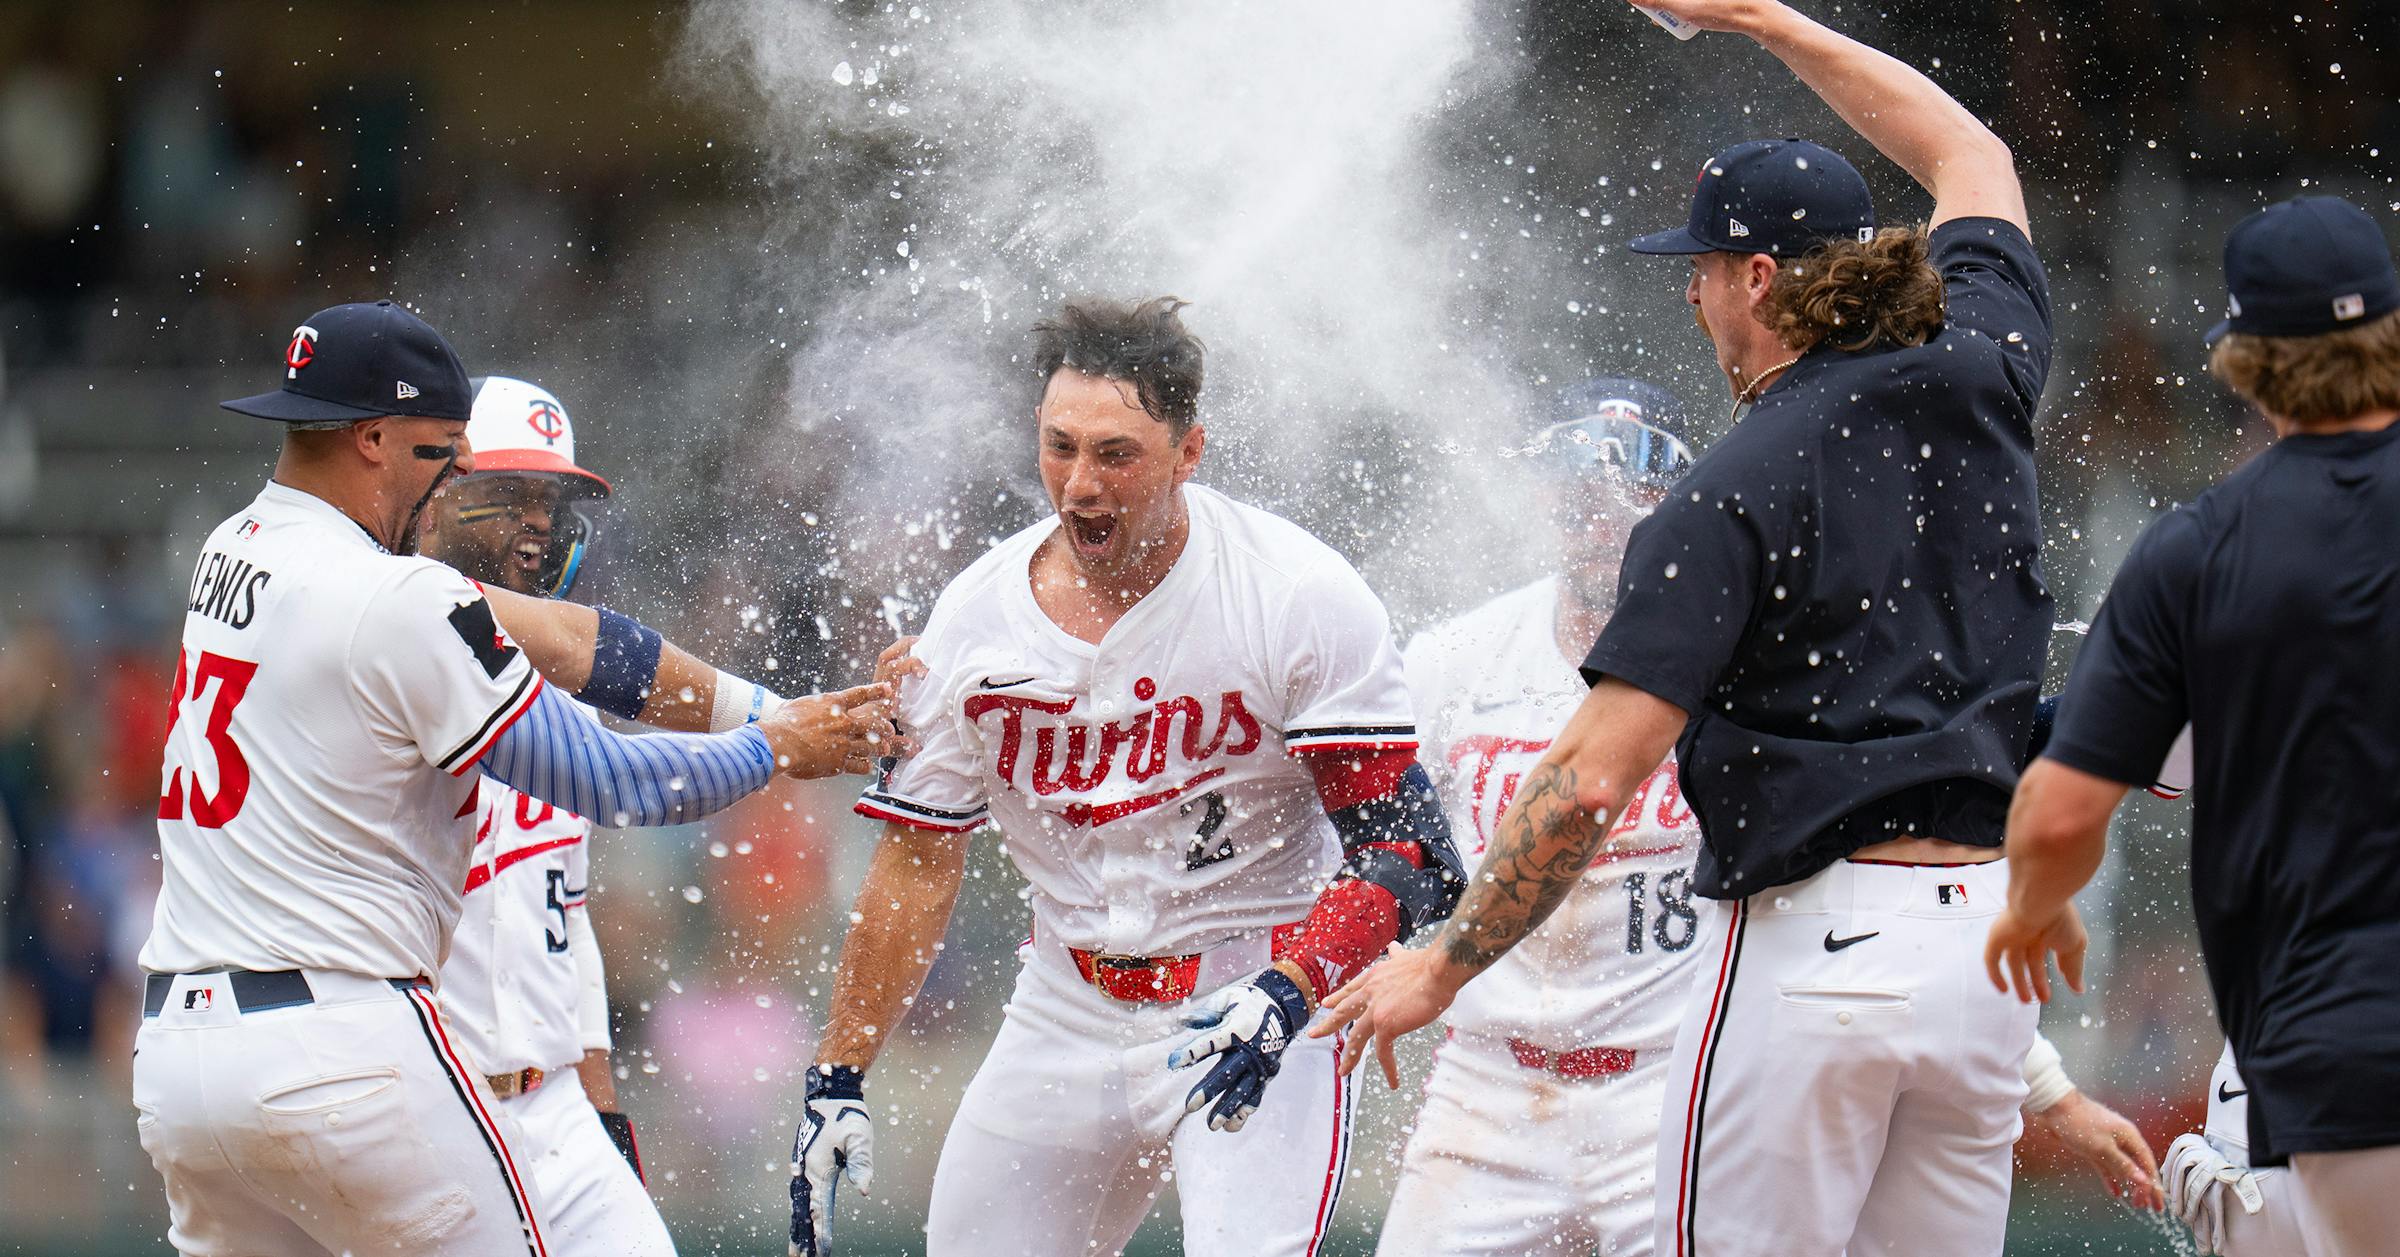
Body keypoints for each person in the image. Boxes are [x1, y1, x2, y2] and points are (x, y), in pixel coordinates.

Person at [1316, 2, 2061, 1252]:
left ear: (1760, 280)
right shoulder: (1985, 371)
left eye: (1706, 271)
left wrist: (1442, 968)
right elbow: (1972, 157)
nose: (1699, 298)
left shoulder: (1728, 489)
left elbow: (1589, 781)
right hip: (1981, 957)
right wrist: (1767, 19)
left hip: (1816, 954)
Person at [133, 301, 899, 1257]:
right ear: (374, 439)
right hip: (342, 1047)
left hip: (184, 1051)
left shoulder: (232, 548)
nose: (459, 479)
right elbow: (609, 775)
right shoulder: (398, 601)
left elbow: (572, 647)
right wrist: (774, 744)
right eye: (444, 456)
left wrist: (763, 709)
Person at [1378, 384, 2156, 1257]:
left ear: (1674, 501)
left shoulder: (1747, 656)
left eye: (1627, 492)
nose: (1599, 518)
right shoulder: (1456, 658)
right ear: (1543, 499)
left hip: (1669, 1089)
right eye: (1577, 494)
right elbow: (1393, 840)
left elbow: (1872, 880)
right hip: (1489, 1088)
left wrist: (2049, 1088)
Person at [784, 296, 1465, 1257]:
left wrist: (1292, 986)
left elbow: (1413, 855)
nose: (1081, 484)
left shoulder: (1292, 593)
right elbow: (917, 859)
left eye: (1117, 453)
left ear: (1190, 453)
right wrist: (838, 1073)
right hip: (1063, 1003)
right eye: (1060, 446)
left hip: (1252, 984)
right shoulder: (975, 620)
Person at [1988, 194, 2400, 1257]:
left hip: (2344, 1043)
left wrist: (2034, 905)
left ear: (2247, 361)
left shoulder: (2201, 553)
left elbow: (2061, 809)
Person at [423, 376, 912, 1256]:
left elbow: (562, 938)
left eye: (553, 501)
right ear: (438, 498)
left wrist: (603, 1117)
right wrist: (774, 735)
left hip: (551, 1111)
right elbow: (623, 764)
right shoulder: (385, 648)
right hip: (422, 1113)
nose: (537, 524)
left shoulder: (556, 707)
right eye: (510, 496)